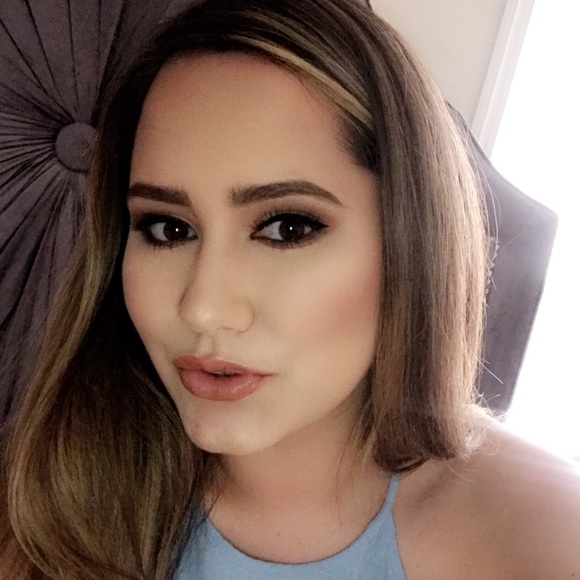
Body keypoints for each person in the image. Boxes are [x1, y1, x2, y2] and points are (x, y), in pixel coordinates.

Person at [1, 0, 579, 578]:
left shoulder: (543, 542)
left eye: (287, 228)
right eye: (169, 229)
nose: (203, 308)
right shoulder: (45, 505)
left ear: (411, 243)